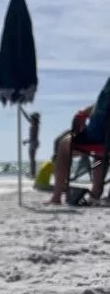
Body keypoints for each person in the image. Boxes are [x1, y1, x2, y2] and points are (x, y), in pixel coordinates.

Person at [47, 77, 110, 205]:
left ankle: (57, 195)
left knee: (65, 144)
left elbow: (81, 116)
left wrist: (78, 125)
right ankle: (95, 193)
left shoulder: (104, 97)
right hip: (100, 143)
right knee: (99, 158)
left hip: (95, 139)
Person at [22, 110, 40, 178]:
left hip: (33, 143)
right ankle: (32, 173)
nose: (31, 118)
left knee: (32, 159)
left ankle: (32, 174)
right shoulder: (34, 124)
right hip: (34, 142)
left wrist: (26, 141)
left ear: (34, 119)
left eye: (32, 117)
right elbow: (27, 118)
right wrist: (22, 110)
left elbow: (32, 138)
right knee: (32, 159)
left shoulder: (34, 126)